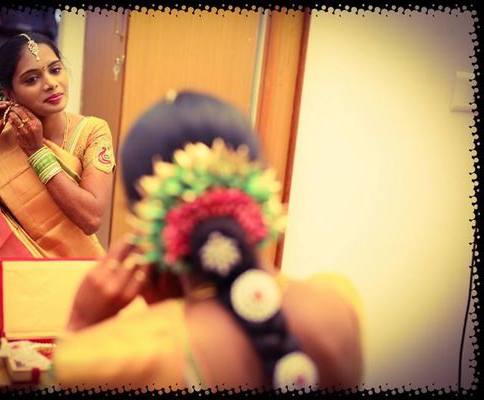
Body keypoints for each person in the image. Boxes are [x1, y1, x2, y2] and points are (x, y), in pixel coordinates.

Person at [51, 91, 363, 391]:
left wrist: (80, 327)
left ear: (147, 222)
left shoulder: (128, 356)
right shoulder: (337, 303)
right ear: (259, 188)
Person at [0, 32, 115, 293]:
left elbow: (91, 218)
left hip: (72, 281)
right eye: (32, 79)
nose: (51, 84)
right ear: (9, 92)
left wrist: (36, 152)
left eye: (55, 70)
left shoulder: (92, 131)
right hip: (1, 281)